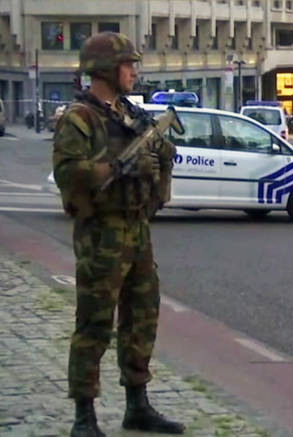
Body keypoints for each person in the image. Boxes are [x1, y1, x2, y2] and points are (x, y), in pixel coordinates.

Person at [52, 32, 183, 437]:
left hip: (136, 227)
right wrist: (117, 168)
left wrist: (158, 168)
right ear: (107, 69)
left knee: (142, 316)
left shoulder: (130, 113)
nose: (134, 71)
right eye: (128, 65)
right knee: (94, 323)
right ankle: (84, 415)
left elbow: (161, 158)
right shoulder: (80, 118)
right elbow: (68, 173)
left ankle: (137, 403)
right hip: (102, 233)